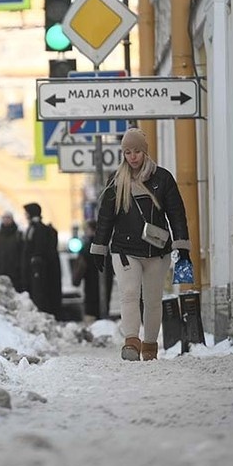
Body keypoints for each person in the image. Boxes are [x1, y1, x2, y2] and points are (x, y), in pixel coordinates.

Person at [89, 128, 191, 361]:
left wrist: (182, 246)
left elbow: (176, 213)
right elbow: (106, 217)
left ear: (144, 152)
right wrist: (99, 248)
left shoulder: (162, 178)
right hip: (125, 250)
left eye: (136, 151)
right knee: (129, 293)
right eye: (127, 152)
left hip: (157, 250)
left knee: (153, 300)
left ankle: (150, 346)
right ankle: (131, 343)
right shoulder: (116, 180)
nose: (132, 157)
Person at [21, 202, 62, 317]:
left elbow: (38, 248)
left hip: (38, 270)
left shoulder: (37, 229)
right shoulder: (32, 228)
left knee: (39, 295)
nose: (25, 215)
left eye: (26, 213)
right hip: (34, 269)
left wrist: (34, 262)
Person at [0, 211, 25, 292]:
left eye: (8, 218)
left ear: (12, 220)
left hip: (15, 274)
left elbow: (23, 255)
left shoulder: (19, 235)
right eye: (4, 218)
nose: (6, 220)